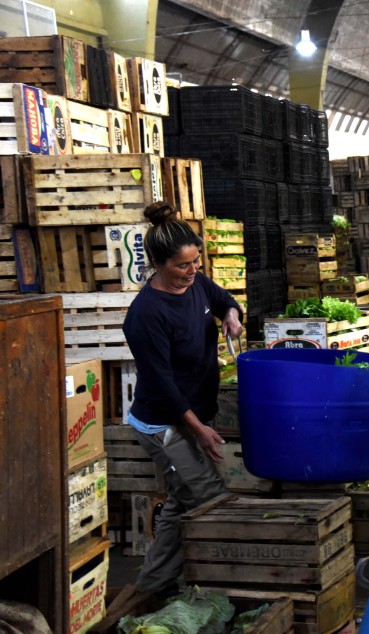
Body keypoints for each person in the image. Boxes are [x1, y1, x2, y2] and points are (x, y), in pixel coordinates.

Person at [123, 201, 244, 597]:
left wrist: (230, 314)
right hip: (164, 424)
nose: (193, 271)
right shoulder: (146, 315)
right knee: (207, 496)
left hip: (193, 415)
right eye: (182, 266)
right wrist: (199, 429)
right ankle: (214, 584)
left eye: (196, 262)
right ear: (157, 262)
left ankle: (155, 586)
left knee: (180, 501)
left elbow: (223, 297)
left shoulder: (196, 284)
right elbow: (162, 385)